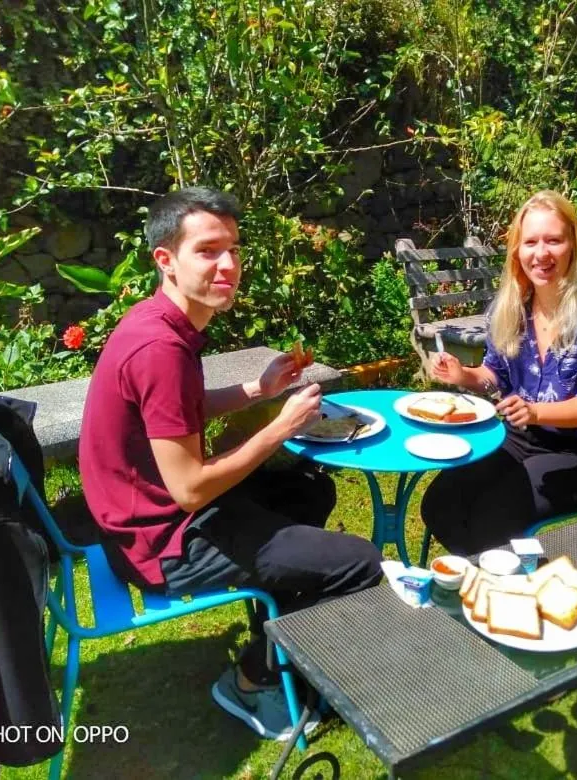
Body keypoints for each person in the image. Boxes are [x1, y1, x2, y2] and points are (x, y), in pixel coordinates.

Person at [78, 186, 382, 741]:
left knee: (311, 494)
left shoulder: (160, 322)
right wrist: (280, 427)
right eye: (209, 250)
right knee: (359, 562)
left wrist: (256, 389)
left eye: (234, 249)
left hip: (149, 517)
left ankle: (279, 615)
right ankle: (251, 681)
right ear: (165, 260)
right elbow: (191, 488)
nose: (229, 264)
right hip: (161, 542)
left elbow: (177, 408)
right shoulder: (159, 350)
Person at [421, 190, 577, 554]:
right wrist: (463, 375)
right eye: (530, 242)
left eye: (554, 240)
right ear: (517, 251)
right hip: (519, 438)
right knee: (441, 502)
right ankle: (491, 580)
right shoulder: (511, 308)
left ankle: (512, 588)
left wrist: (536, 412)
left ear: (573, 246)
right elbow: (495, 374)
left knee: (494, 516)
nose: (541, 253)